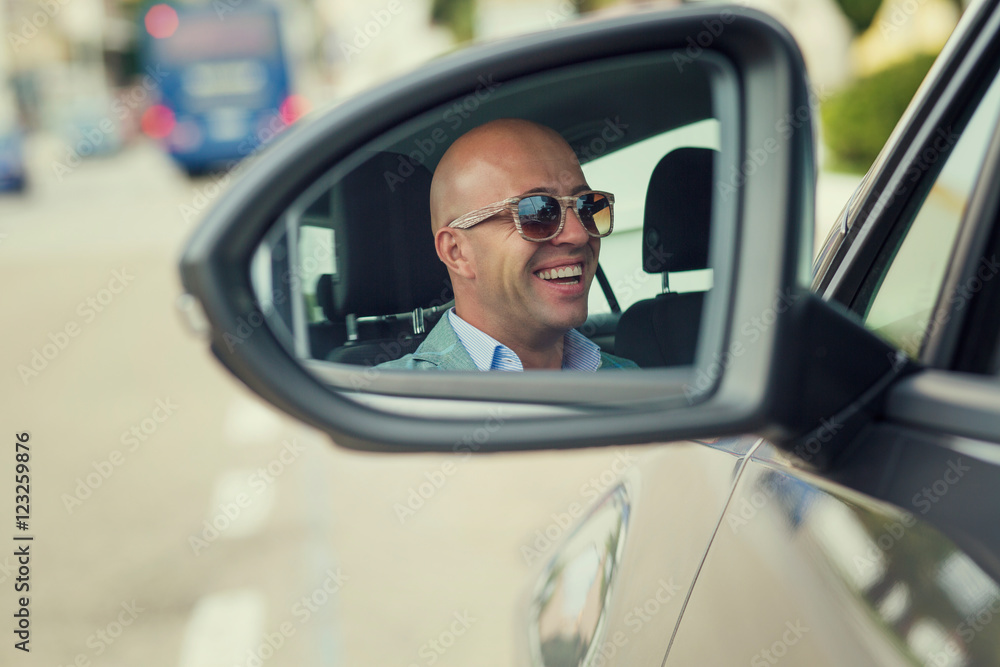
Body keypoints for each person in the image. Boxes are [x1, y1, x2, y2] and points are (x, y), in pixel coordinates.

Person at [378, 118, 637, 371]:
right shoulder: (385, 402)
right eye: (537, 212)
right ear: (457, 252)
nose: (578, 234)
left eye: (587, 205)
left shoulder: (632, 382)